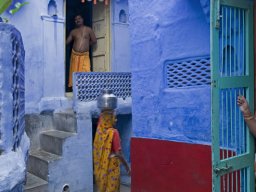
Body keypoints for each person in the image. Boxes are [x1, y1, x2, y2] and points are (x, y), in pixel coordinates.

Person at [93, 110, 131, 192]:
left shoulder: (99, 132)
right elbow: (118, 153)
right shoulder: (114, 132)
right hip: (111, 166)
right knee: (111, 188)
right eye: (114, 117)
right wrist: (127, 167)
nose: (116, 120)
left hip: (101, 167)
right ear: (109, 119)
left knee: (103, 187)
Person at [66, 14, 97, 88]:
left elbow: (94, 41)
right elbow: (67, 42)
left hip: (85, 56)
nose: (77, 20)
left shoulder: (88, 29)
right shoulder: (73, 32)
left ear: (83, 19)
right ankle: (75, 92)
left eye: (79, 18)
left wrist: (85, 45)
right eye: (76, 19)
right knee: (75, 75)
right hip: (75, 56)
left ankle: (85, 92)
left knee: (86, 74)